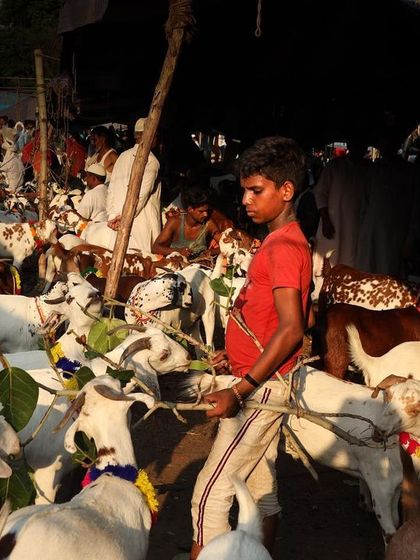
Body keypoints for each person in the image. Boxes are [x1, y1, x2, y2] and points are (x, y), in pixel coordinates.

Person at [186, 136, 312, 560]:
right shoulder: (281, 241)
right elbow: (275, 320)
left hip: (260, 390)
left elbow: (293, 329)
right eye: (244, 190)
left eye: (256, 190)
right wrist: (236, 354)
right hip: (261, 376)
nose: (245, 200)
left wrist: (240, 388)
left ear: (286, 191)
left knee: (208, 496)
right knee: (259, 488)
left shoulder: (285, 247)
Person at [311, 135, 368, 300]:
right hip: (333, 225)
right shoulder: (335, 165)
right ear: (350, 144)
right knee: (326, 267)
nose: (360, 147)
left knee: (351, 267)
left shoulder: (369, 169)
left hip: (357, 228)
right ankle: (320, 302)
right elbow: (320, 192)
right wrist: (326, 219)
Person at [106, 117, 161, 252]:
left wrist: (113, 216)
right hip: (140, 222)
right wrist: (123, 217)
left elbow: (111, 190)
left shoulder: (122, 156)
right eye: (156, 135)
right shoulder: (152, 161)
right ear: (150, 135)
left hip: (118, 222)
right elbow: (141, 196)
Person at [152, 185, 220, 258]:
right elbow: (155, 248)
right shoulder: (175, 222)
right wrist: (178, 251)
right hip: (176, 265)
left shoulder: (208, 223)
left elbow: (226, 246)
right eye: (201, 211)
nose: (206, 214)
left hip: (201, 266)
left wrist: (211, 252)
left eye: (206, 211)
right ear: (190, 209)